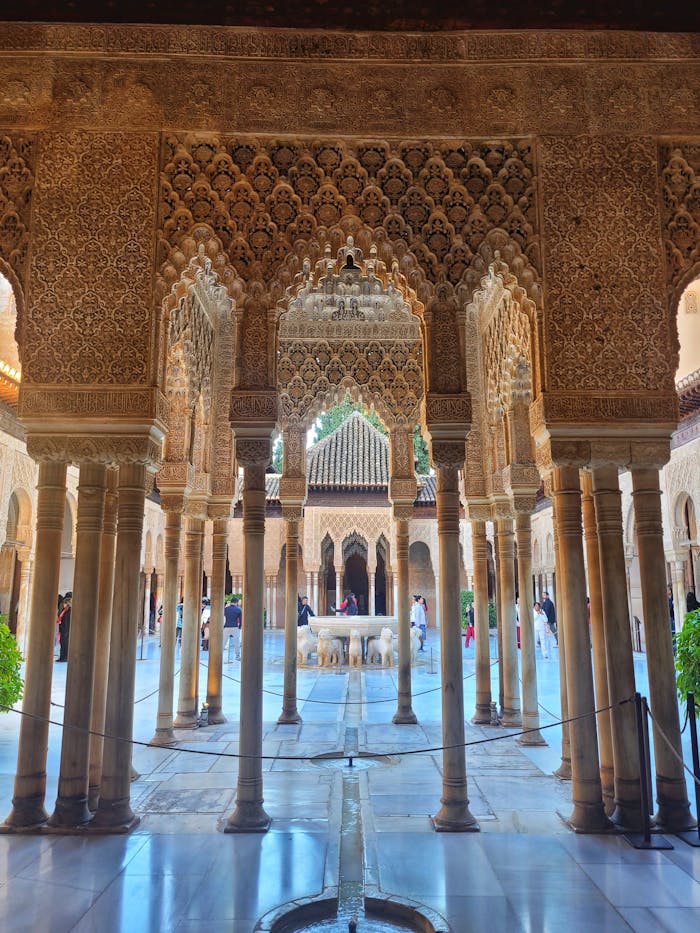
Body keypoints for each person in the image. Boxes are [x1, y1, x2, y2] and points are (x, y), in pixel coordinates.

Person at [223, 596, 242, 660]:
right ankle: (237, 656)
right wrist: (240, 627)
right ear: (236, 602)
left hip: (226, 626)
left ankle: (219, 655)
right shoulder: (238, 609)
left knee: (223, 642)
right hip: (235, 627)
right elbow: (241, 620)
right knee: (237, 642)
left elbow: (223, 618)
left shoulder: (225, 609)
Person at [57, 593, 72, 662]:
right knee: (62, 644)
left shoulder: (69, 611)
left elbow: (67, 622)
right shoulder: (64, 611)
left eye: (65, 603)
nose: (63, 604)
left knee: (65, 644)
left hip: (66, 631)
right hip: (62, 630)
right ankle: (62, 657)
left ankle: (64, 657)